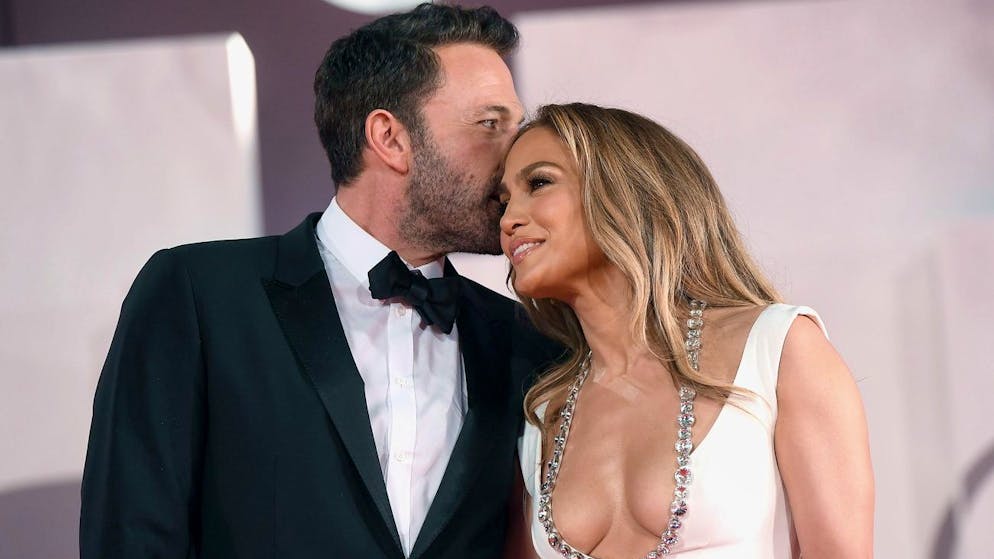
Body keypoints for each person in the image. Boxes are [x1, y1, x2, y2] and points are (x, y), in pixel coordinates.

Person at [80, 4, 560, 558]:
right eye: (489, 125)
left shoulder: (523, 339)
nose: (517, 156)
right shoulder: (200, 295)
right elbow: (131, 536)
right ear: (390, 138)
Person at [498, 103, 874, 558]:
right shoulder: (542, 410)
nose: (508, 220)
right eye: (503, 202)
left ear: (626, 189)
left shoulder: (778, 348)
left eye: (539, 183)